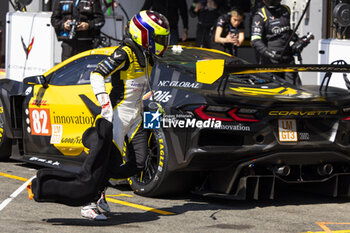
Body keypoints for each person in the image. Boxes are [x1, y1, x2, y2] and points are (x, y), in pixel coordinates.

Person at [82, 10, 170, 221]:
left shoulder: (148, 55)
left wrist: (154, 104)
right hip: (118, 116)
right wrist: (104, 102)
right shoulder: (124, 53)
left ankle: (101, 186)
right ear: (144, 34)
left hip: (136, 116)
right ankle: (89, 203)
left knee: (140, 162)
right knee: (106, 161)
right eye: (159, 37)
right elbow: (97, 75)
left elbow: (142, 86)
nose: (162, 42)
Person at [250, 0, 301, 85]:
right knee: (272, 93)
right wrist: (271, 54)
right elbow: (255, 41)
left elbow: (286, 31)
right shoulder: (260, 15)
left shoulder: (286, 10)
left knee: (296, 90)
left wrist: (298, 40)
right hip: (270, 62)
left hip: (288, 60)